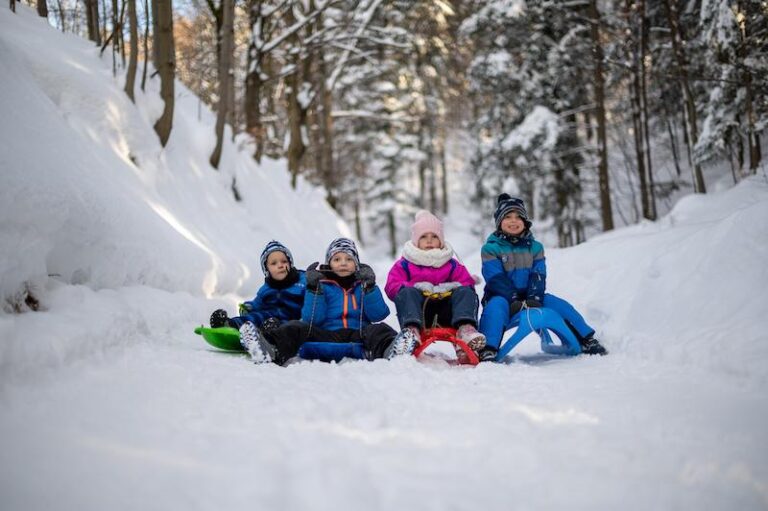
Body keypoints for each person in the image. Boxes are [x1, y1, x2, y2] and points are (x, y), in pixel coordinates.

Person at [477, 194, 607, 361]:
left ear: (525, 222)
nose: (513, 221)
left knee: (560, 305)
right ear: (499, 222)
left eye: (519, 217)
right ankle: (489, 348)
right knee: (494, 309)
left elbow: (538, 274)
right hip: (502, 297)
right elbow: (495, 278)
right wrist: (513, 299)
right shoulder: (490, 248)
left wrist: (535, 297)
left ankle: (586, 339)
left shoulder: (535, 247)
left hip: (532, 296)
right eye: (508, 216)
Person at [243, 237, 403, 364]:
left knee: (380, 329)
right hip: (328, 334)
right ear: (329, 263)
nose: (343, 263)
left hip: (359, 333)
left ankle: (393, 349)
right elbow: (312, 319)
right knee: (296, 326)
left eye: (349, 259)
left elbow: (379, 314)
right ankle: (271, 349)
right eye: (337, 259)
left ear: (356, 264)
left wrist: (370, 287)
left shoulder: (362, 285)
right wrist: (314, 290)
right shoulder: (323, 285)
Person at [384, 210, 485, 357]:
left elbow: (466, 282)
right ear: (416, 240)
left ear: (441, 240)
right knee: (406, 292)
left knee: (465, 291)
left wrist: (455, 286)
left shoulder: (451, 264)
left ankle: (465, 329)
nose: (429, 241)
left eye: (434, 237)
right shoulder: (405, 264)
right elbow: (392, 286)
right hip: (421, 313)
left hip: (448, 314)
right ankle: (411, 332)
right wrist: (413, 287)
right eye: (424, 237)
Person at [208, 240, 306, 358]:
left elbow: (311, 297)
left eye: (284, 261)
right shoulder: (266, 289)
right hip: (269, 315)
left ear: (290, 263)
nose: (280, 265)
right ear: (266, 269)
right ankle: (229, 324)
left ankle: (267, 336)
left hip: (291, 318)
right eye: (274, 263)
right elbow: (257, 303)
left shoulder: (301, 281)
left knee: (281, 326)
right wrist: (250, 307)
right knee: (253, 317)